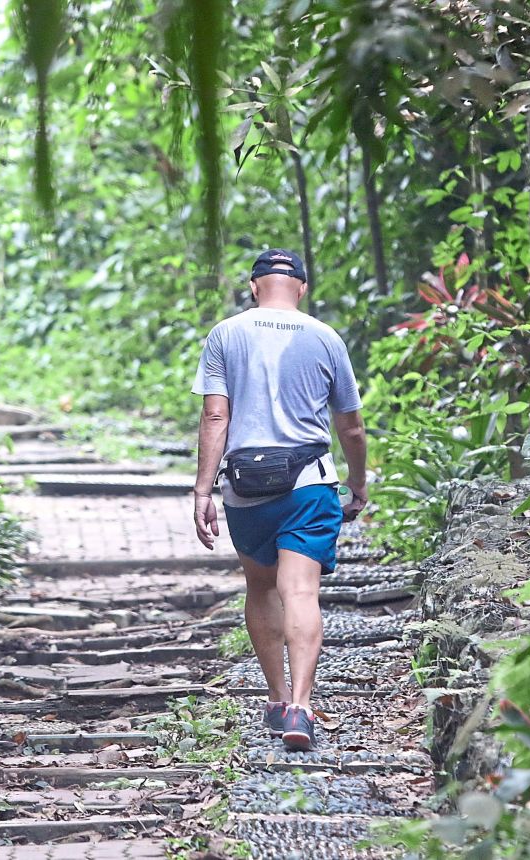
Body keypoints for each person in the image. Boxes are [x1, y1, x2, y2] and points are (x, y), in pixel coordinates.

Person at [191, 248, 368, 752]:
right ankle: (302, 707)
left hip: (245, 487)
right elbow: (351, 426)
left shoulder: (226, 334)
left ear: (254, 286)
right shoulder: (325, 337)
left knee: (261, 587)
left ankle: (276, 696)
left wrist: (203, 490)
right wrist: (358, 482)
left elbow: (214, 419)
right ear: (302, 289)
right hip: (309, 484)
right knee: (301, 592)